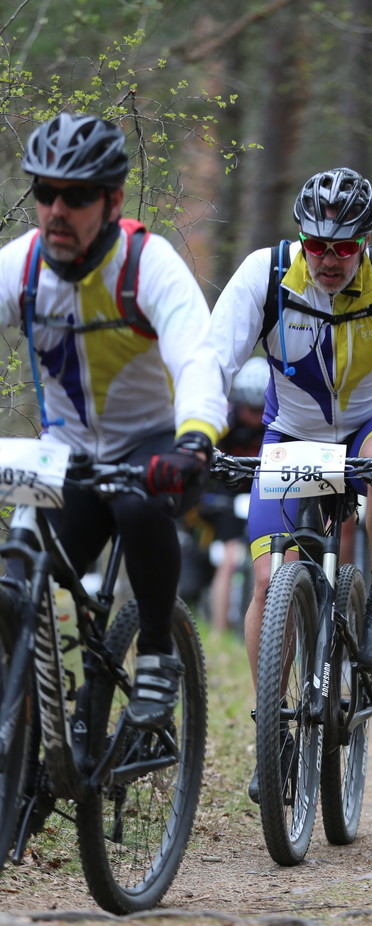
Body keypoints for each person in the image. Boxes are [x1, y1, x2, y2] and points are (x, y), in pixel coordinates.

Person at [210, 167, 372, 791]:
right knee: (267, 584)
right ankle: (276, 730)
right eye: (316, 245)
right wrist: (193, 433)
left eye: (344, 247)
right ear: (301, 238)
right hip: (290, 434)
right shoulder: (265, 275)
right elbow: (212, 358)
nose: (328, 259)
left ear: (364, 242)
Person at [0, 111, 227, 725]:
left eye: (75, 197)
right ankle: (32, 739)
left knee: (135, 505)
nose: (55, 210)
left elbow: (198, 356)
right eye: (45, 192)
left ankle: (156, 651)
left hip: (155, 448)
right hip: (65, 450)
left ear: (113, 199)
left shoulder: (145, 264)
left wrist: (195, 441)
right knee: (14, 574)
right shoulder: (20, 267)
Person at [206, 357, 269, 632]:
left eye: (261, 409)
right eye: (249, 408)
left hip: (265, 493)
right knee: (230, 557)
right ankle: (219, 629)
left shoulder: (275, 426)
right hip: (230, 496)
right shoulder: (226, 424)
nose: (255, 416)